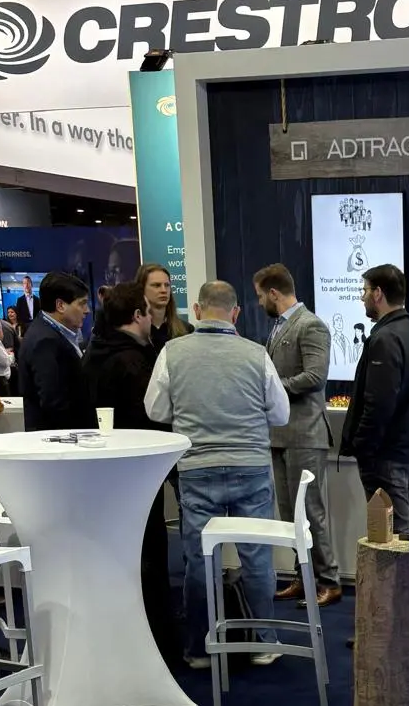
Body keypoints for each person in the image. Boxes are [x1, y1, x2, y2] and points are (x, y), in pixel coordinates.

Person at [144, 280, 289, 669]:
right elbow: (280, 414)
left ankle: (200, 648)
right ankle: (264, 642)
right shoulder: (256, 354)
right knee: (256, 558)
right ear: (235, 313)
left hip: (197, 468)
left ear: (196, 310)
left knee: (200, 559)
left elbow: (155, 410)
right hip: (251, 468)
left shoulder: (172, 352)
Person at [83, 282, 180, 666]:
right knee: (149, 554)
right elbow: (152, 417)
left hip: (105, 474)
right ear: (138, 315)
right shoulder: (134, 362)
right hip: (139, 473)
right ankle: (156, 644)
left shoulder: (93, 355)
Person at [254, 263, 342, 608]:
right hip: (279, 435)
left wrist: (273, 389)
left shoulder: (311, 325)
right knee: (291, 514)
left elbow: (316, 377)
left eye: (261, 296)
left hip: (305, 434)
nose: (259, 302)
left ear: (274, 293)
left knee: (310, 512)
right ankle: (303, 577)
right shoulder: (279, 326)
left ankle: (329, 581)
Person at [340, 263, 409, 537]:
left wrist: (363, 445)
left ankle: (403, 570)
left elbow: (379, 402)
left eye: (365, 291)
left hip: (387, 455)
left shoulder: (386, 338)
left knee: (393, 537)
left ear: (378, 293)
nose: (363, 298)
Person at [17, 271, 96, 432]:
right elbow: (53, 402)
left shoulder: (50, 332)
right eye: (82, 303)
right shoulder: (45, 341)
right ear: (60, 305)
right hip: (62, 438)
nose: (87, 310)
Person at [135, 262, 189, 353]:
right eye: (157, 285)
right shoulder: (133, 333)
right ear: (141, 289)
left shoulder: (186, 330)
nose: (164, 290)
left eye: (167, 285)